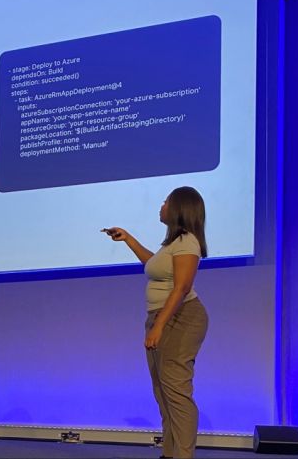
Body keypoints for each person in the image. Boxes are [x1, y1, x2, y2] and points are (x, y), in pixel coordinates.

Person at [104, 186, 209, 458]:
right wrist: (128, 239)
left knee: (176, 390)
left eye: (165, 202)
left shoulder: (187, 240)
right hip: (162, 316)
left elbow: (182, 287)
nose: (161, 206)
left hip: (180, 317)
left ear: (179, 208)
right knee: (162, 391)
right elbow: (152, 264)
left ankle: (183, 455)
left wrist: (159, 325)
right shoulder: (172, 244)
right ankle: (170, 453)